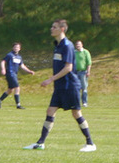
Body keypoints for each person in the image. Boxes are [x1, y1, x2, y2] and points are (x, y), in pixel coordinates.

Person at [25, 20, 95, 152]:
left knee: (76, 113)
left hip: (70, 86)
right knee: (50, 111)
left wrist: (50, 79)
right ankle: (40, 143)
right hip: (60, 86)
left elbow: (69, 68)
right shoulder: (57, 45)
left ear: (62, 29)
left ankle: (90, 143)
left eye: (54, 27)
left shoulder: (67, 45)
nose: (51, 29)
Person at [0, 42, 35, 109]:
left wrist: (29, 71)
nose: (16, 48)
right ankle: (18, 105)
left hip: (14, 74)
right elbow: (3, 61)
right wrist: (3, 69)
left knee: (10, 90)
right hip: (10, 73)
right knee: (17, 87)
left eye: (18, 47)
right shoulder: (9, 55)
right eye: (15, 47)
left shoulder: (19, 57)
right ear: (13, 48)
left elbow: (22, 65)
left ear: (20, 49)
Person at [74, 40, 92, 107]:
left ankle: (84, 102)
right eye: (76, 45)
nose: (78, 46)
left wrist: (88, 71)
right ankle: (77, 102)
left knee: (84, 88)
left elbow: (89, 62)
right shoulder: (74, 52)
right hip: (75, 72)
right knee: (76, 88)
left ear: (82, 45)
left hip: (83, 72)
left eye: (79, 45)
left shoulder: (85, 52)